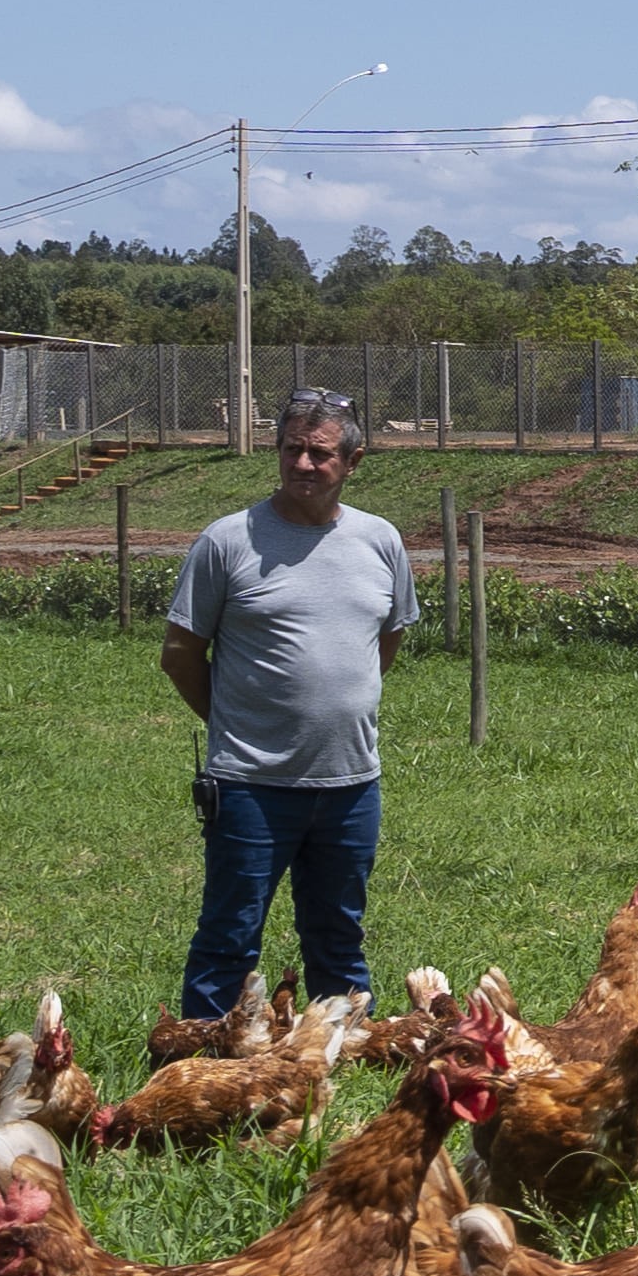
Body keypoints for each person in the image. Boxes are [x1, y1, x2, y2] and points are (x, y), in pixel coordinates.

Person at [166, 393, 417, 1023]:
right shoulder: (227, 542)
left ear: (353, 461)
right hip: (250, 783)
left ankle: (340, 1052)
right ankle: (201, 1064)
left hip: (352, 783)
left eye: (320, 453)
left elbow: (385, 641)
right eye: (291, 449)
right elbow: (180, 653)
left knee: (339, 936)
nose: (303, 464)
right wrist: (238, 724)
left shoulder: (380, 541)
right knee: (230, 934)